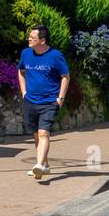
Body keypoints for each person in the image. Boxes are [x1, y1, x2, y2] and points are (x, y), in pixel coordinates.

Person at [19, 25, 70, 181]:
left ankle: (39, 165)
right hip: (31, 100)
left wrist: (60, 98)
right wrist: (24, 92)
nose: (29, 39)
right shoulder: (26, 53)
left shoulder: (55, 56)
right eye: (29, 37)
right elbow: (21, 71)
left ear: (42, 40)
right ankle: (45, 166)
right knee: (36, 135)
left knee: (43, 133)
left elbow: (65, 76)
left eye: (32, 38)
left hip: (49, 101)